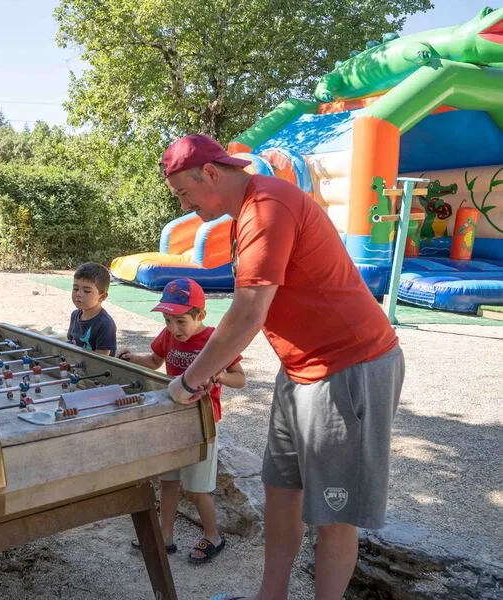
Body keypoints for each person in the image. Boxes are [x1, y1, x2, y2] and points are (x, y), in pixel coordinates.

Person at [159, 135, 404, 600]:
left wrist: (189, 382)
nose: (185, 204)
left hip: (350, 366)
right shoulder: (243, 215)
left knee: (333, 513)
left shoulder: (268, 206)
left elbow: (248, 311)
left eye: (183, 193)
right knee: (281, 491)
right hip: (299, 372)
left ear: (210, 173)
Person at [119, 278, 245, 563]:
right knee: (168, 481)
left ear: (200, 315)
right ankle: (165, 537)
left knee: (197, 488)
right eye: (167, 320)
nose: (173, 329)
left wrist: (221, 375)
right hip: (172, 420)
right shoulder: (168, 336)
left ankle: (214, 535)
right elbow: (154, 361)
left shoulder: (215, 339)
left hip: (202, 423)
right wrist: (131, 358)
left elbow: (241, 379)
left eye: (180, 321)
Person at [67, 262, 117, 356]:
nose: (78, 294)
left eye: (87, 291)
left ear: (102, 297)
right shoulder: (75, 315)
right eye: (76, 289)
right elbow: (70, 343)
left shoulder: (105, 324)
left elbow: (102, 360)